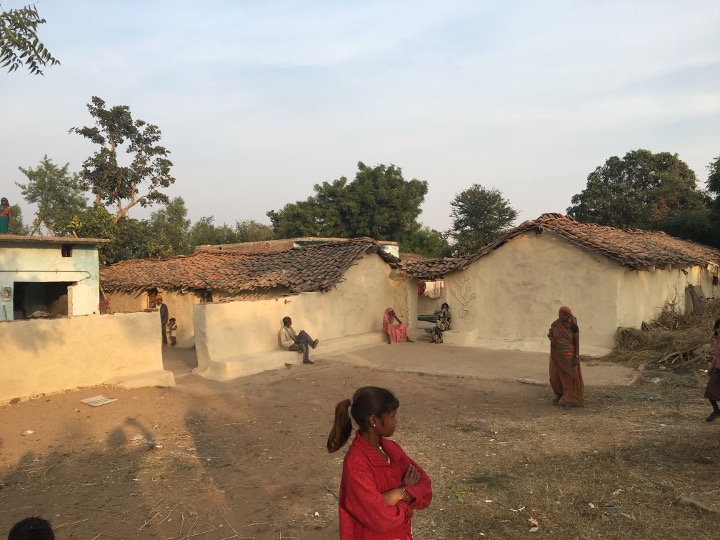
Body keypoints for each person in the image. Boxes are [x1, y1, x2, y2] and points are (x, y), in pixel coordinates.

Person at [326, 386, 432, 539]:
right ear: (374, 420)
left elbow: (426, 487)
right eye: (393, 416)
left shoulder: (392, 450)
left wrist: (397, 495)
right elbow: (380, 519)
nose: (396, 422)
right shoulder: (356, 463)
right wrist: (404, 493)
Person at [547, 306, 584, 407]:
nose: (564, 316)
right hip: (556, 355)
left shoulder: (573, 327)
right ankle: (559, 394)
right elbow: (550, 334)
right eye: (562, 314)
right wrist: (552, 339)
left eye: (566, 315)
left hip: (568, 355)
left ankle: (569, 399)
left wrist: (576, 356)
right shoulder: (555, 324)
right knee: (554, 377)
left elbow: (576, 343)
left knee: (569, 378)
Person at [704, 319, 720, 421]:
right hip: (717, 369)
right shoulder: (715, 340)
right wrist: (711, 368)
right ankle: (716, 411)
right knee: (710, 391)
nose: (719, 329)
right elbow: (716, 356)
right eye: (718, 327)